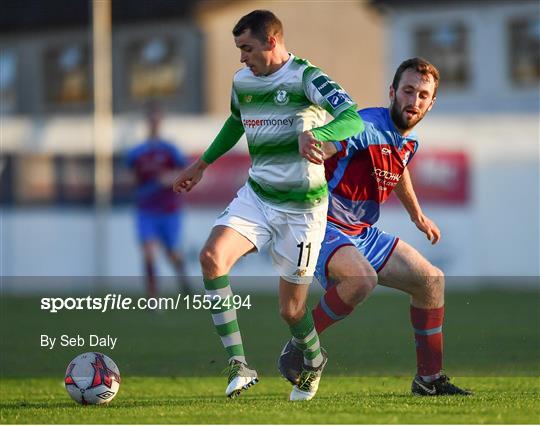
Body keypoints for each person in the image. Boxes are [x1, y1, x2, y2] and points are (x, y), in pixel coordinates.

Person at [173, 10, 364, 401]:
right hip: (258, 197)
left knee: (291, 312)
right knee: (211, 257)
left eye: (247, 48)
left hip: (303, 210)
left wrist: (319, 132)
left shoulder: (307, 77)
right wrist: (202, 164)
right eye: (239, 49)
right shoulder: (242, 82)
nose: (242, 58)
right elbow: (234, 122)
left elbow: (353, 119)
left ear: (272, 42)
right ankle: (238, 365)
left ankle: (313, 359)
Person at [278, 58, 472, 396]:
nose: (414, 101)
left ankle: (428, 380)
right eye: (408, 91)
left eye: (423, 95)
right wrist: (314, 147)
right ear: (392, 92)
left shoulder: (406, 142)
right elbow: (331, 145)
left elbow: (398, 170)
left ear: (431, 102)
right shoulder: (365, 124)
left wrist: (417, 215)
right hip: (324, 224)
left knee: (431, 282)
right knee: (361, 279)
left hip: (360, 232)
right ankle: (299, 345)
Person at [126, 103, 191, 299]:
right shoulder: (137, 152)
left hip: (169, 210)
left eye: (157, 120)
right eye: (151, 120)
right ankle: (152, 297)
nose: (154, 124)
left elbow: (186, 173)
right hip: (146, 210)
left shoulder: (170, 150)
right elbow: (130, 179)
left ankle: (183, 281)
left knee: (173, 254)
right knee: (148, 252)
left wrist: (170, 178)